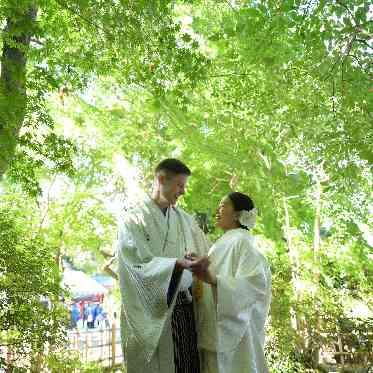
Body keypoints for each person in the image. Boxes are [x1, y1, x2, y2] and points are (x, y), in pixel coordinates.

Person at [117, 158, 210, 373]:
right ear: (161, 179)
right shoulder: (133, 220)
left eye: (184, 186)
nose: (183, 191)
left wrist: (198, 261)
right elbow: (135, 267)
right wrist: (174, 265)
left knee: (187, 365)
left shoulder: (185, 220)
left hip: (184, 311)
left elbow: (206, 251)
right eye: (180, 185)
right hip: (151, 313)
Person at [191, 192, 272, 373]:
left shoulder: (242, 242)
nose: (217, 210)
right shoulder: (224, 242)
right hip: (215, 328)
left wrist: (214, 280)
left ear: (237, 214)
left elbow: (255, 284)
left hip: (236, 334)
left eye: (223, 205)